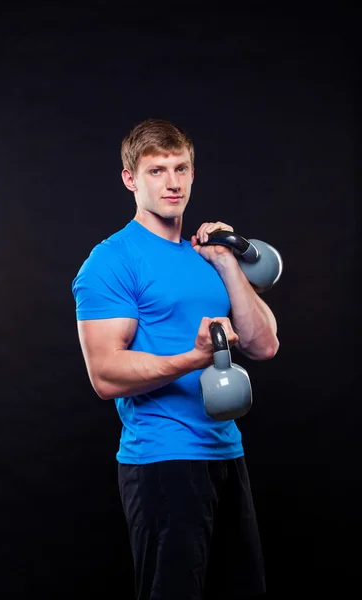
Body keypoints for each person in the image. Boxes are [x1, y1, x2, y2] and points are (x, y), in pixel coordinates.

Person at [71, 118, 279, 599]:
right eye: (156, 171)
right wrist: (194, 358)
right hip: (162, 461)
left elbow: (264, 344)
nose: (172, 182)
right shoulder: (112, 261)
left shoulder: (202, 256)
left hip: (226, 454)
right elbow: (104, 375)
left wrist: (227, 261)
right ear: (130, 179)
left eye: (181, 168)